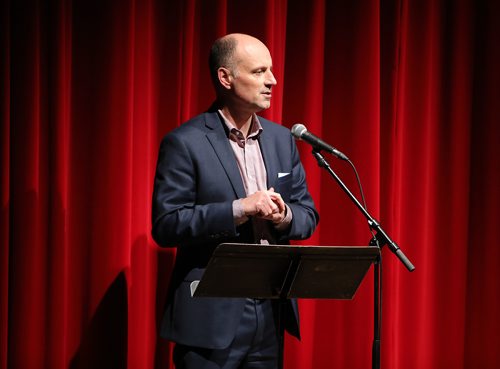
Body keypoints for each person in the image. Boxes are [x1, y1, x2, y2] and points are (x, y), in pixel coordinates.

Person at [152, 33, 319, 369]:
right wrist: (239, 209)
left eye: (271, 70)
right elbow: (166, 224)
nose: (272, 80)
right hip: (211, 314)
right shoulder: (185, 143)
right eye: (258, 72)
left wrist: (284, 215)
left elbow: (307, 215)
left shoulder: (282, 140)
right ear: (225, 78)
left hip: (271, 309)